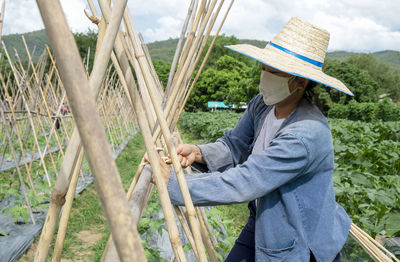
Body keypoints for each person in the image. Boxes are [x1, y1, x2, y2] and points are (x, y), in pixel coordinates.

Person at [153, 17, 353, 261]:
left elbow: (248, 179)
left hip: (297, 237)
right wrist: (198, 152)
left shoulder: (305, 134)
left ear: (300, 81)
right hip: (263, 217)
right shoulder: (262, 105)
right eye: (264, 68)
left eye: (274, 72)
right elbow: (233, 145)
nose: (265, 76)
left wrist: (175, 184)